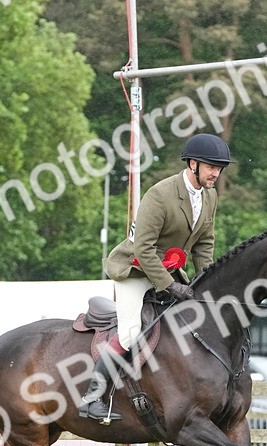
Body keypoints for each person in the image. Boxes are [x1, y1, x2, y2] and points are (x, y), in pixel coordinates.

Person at [78, 132, 232, 422]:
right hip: (135, 269)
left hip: (169, 270)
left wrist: (207, 282)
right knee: (130, 332)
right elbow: (143, 248)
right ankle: (92, 397)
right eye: (212, 167)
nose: (216, 173)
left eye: (219, 168)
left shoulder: (209, 196)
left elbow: (204, 244)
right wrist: (170, 285)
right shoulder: (160, 194)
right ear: (193, 164)